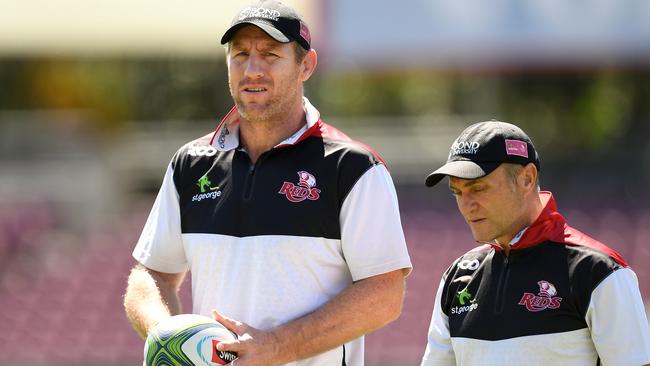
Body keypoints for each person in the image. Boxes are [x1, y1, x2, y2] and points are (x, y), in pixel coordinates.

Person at [123, 1, 412, 365]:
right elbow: (152, 275)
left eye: (270, 54)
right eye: (240, 54)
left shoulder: (354, 167)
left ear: (306, 65)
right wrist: (167, 336)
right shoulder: (190, 164)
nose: (252, 69)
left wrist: (277, 346)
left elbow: (385, 294)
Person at [420, 121, 650, 366]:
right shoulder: (457, 277)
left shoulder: (599, 272)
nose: (467, 205)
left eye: (478, 188)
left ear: (527, 179)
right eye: (457, 192)